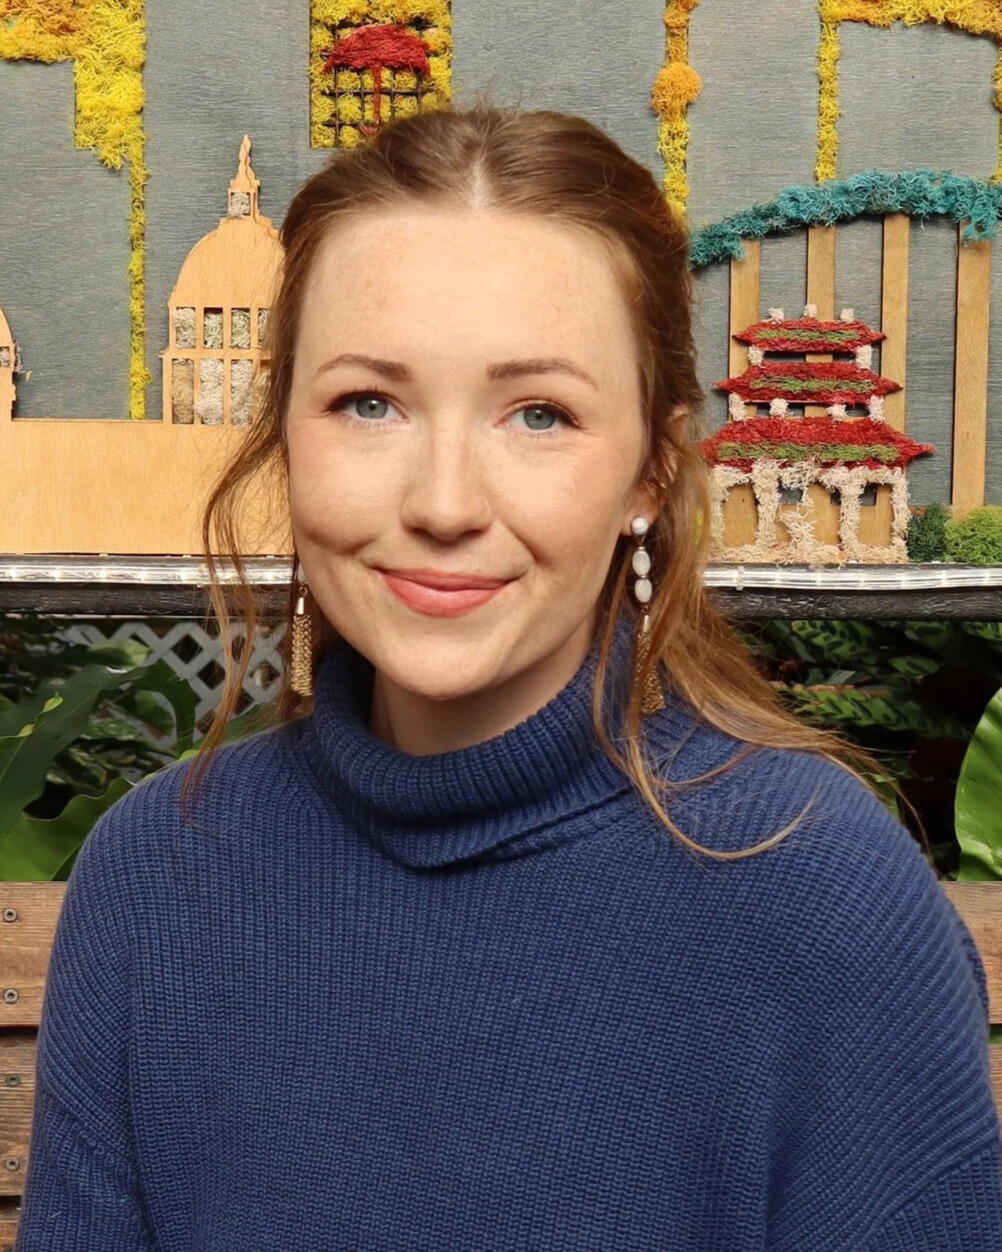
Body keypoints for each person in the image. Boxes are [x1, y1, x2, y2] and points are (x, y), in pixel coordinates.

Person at [14, 101, 1002, 1251]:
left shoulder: (827, 902)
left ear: (651, 470)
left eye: (539, 414)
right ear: (283, 434)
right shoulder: (153, 881)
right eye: (367, 403)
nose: (443, 503)